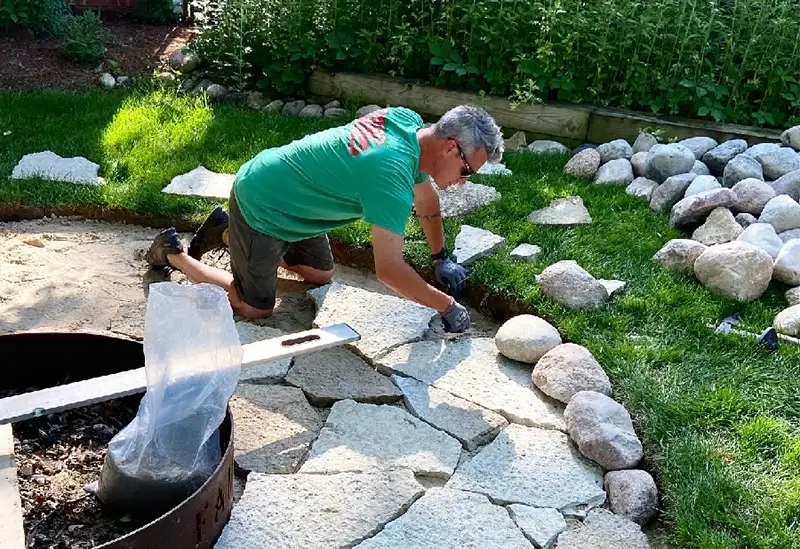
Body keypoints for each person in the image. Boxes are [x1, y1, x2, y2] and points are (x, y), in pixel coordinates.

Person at [144, 104, 504, 333]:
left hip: (298, 204)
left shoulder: (409, 125)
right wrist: (446, 305)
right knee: (254, 308)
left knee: (320, 275)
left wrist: (441, 258)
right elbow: (389, 270)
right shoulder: (389, 174)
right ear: (449, 147)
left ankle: (228, 231)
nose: (463, 179)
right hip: (264, 201)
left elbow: (427, 201)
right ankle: (173, 253)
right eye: (467, 170)